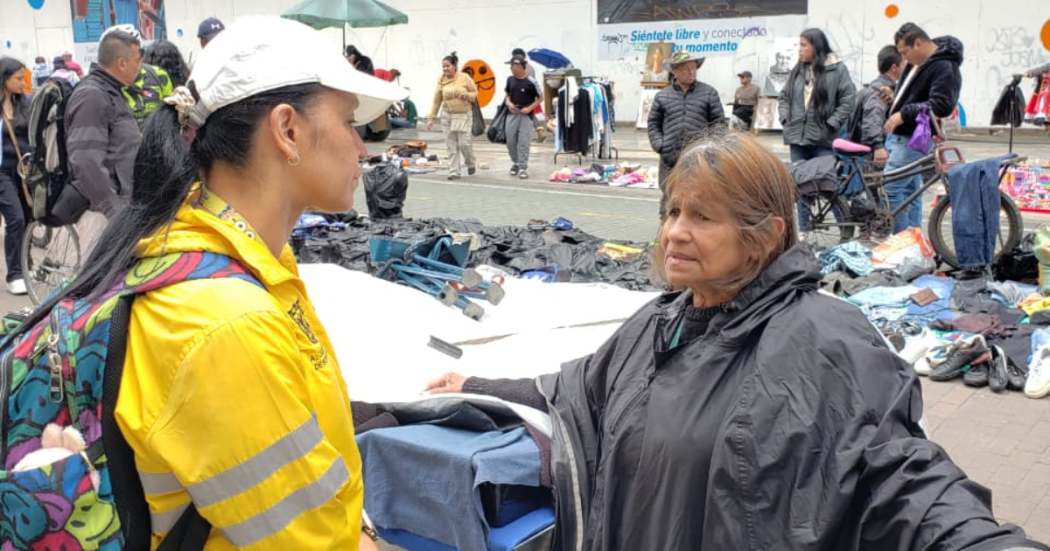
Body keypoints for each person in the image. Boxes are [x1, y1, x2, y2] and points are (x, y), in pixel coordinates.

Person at [423, 132, 1050, 551]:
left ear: (764, 235)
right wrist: (476, 385)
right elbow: (580, 386)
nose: (675, 233)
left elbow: (898, 472)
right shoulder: (658, 322)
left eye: (702, 217)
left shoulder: (823, 338)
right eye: (672, 212)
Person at [12, 15, 405, 551]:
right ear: (287, 130)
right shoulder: (224, 322)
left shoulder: (231, 253)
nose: (362, 148)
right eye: (349, 121)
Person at [65, 26, 143, 258]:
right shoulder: (92, 95)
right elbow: (85, 160)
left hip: (117, 207)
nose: (140, 67)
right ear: (121, 63)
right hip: (101, 213)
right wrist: (113, 211)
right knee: (98, 277)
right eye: (137, 61)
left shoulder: (111, 91)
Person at [883, 23, 963, 232]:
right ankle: (913, 238)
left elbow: (942, 105)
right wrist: (894, 97)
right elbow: (915, 94)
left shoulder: (944, 66)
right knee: (910, 190)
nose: (903, 58)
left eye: (905, 52)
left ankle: (901, 241)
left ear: (918, 43)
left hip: (914, 136)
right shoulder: (918, 62)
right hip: (904, 135)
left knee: (891, 188)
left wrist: (904, 113)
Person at [647, 51, 724, 211]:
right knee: (669, 198)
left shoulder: (709, 93)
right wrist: (660, 145)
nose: (691, 72)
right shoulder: (662, 96)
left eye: (693, 68)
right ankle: (666, 226)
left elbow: (719, 124)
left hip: (699, 158)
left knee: (700, 198)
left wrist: (710, 149)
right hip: (670, 158)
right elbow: (653, 123)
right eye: (685, 69)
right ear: (674, 71)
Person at [778, 28, 856, 163]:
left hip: (823, 140)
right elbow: (784, 97)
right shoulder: (797, 70)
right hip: (797, 140)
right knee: (799, 175)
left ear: (816, 46)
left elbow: (848, 100)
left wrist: (831, 124)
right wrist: (785, 119)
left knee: (822, 175)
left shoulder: (837, 69)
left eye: (803, 45)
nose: (799, 50)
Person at [0, 58, 30, 295]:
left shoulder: (26, 103)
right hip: (2, 172)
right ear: (4, 78)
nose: (23, 83)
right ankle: (15, 274)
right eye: (18, 78)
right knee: (16, 219)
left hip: (24, 170)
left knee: (28, 220)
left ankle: (25, 267)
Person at [426, 53, 478, 180]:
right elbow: (436, 101)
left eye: (447, 66)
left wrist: (467, 95)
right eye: (443, 66)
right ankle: (454, 171)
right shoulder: (441, 80)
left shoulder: (464, 78)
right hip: (447, 115)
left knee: (464, 143)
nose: (445, 69)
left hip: (463, 115)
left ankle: (470, 162)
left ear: (454, 66)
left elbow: (475, 93)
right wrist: (431, 118)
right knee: (451, 144)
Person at [850, 45, 904, 167]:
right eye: (904, 63)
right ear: (894, 67)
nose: (906, 66)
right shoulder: (881, 90)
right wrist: (878, 146)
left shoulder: (880, 87)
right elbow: (873, 117)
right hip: (874, 153)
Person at [503, 55, 541, 180]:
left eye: (513, 65)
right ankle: (516, 162)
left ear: (520, 66)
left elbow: (540, 97)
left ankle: (523, 167)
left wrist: (529, 108)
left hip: (526, 116)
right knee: (510, 141)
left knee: (524, 142)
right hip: (512, 114)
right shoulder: (510, 80)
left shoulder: (531, 82)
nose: (511, 68)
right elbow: (507, 95)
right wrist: (509, 103)